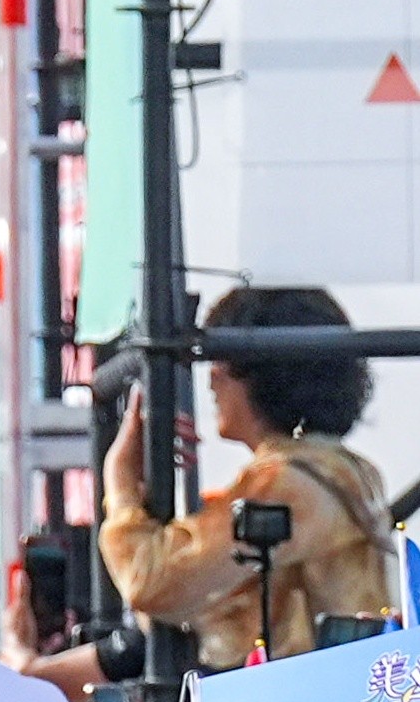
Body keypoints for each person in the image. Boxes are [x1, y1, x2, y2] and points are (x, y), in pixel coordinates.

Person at [96, 286, 394, 667]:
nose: (211, 378)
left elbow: (152, 580)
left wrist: (120, 485)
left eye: (225, 360)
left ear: (267, 374)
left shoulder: (284, 484)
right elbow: (196, 606)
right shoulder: (339, 469)